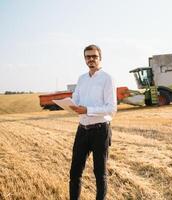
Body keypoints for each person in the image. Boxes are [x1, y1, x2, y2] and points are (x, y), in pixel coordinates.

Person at [69, 44, 117, 200]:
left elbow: (111, 108)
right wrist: (69, 104)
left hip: (100, 131)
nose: (91, 59)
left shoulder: (107, 79)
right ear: (84, 59)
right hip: (82, 130)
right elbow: (76, 100)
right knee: (75, 172)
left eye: (94, 56)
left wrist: (87, 110)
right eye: (88, 57)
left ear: (100, 58)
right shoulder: (81, 79)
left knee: (100, 173)